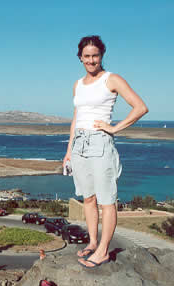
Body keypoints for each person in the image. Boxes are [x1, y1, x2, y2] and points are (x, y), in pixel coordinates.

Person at [63, 35, 148, 269]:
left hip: (101, 143)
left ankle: (103, 251)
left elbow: (140, 107)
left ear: (102, 56)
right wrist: (69, 150)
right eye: (87, 56)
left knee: (106, 200)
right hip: (79, 143)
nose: (91, 60)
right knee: (88, 198)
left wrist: (114, 128)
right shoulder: (77, 85)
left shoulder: (112, 79)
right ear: (80, 57)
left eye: (95, 55)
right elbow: (76, 118)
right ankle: (92, 243)